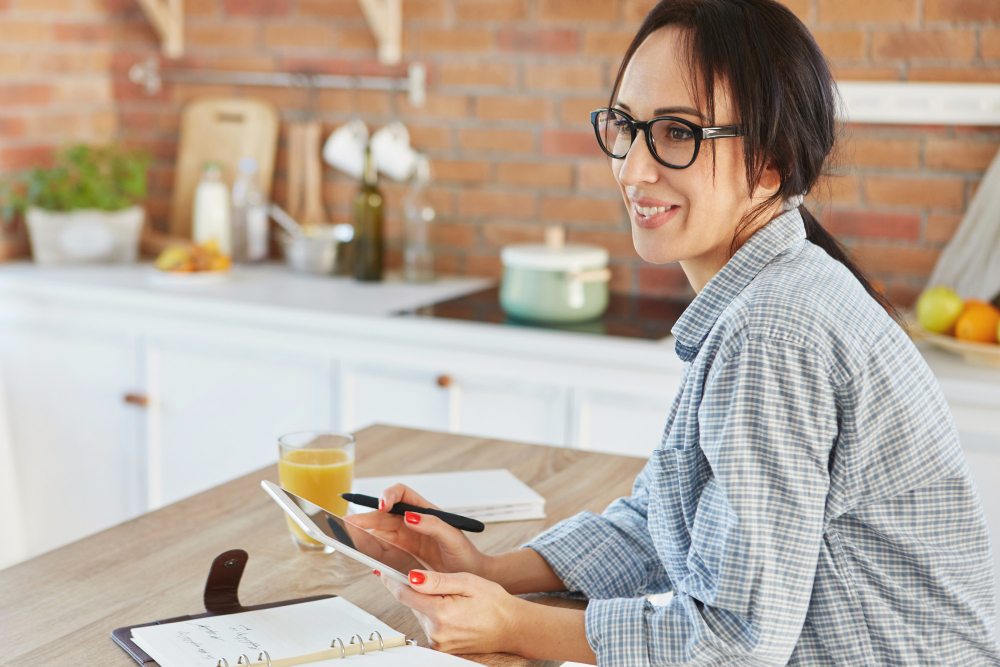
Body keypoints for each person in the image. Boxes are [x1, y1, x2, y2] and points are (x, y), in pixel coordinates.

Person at [350, 0, 1000, 663]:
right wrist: (491, 572)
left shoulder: (774, 331)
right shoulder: (772, 290)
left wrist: (514, 626)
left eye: (678, 133)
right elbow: (671, 521)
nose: (634, 168)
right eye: (626, 126)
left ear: (771, 162)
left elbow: (734, 644)